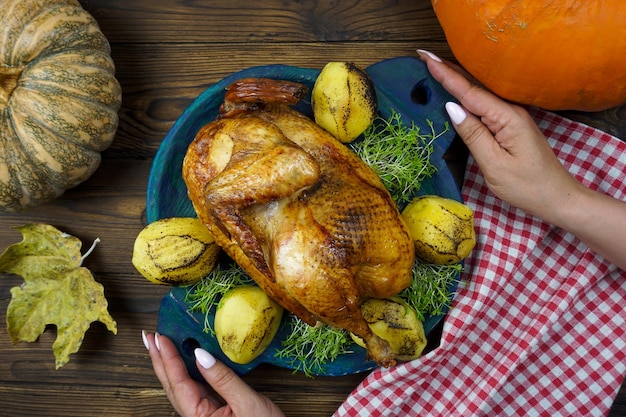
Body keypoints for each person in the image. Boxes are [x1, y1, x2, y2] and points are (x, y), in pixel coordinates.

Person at [142, 50, 626, 417]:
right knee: (313, 247)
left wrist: (225, 207)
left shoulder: (219, 148)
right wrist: (563, 200)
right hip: (343, 248)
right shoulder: (243, 139)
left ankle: (342, 313)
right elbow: (309, 162)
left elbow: (304, 164)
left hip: (314, 247)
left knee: (306, 251)